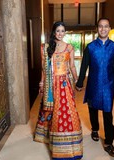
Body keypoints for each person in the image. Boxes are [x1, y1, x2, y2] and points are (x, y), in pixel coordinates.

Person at [34, 21, 83, 160]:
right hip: (51, 84)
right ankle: (56, 145)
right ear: (54, 32)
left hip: (64, 84)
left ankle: (70, 146)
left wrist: (78, 81)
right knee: (53, 111)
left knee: (67, 111)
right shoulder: (46, 47)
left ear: (65, 32)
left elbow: (72, 66)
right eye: (58, 31)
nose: (60, 33)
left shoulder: (69, 48)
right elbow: (44, 68)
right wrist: (42, 83)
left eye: (62, 31)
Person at [76, 18, 114, 157]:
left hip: (108, 85)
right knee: (93, 109)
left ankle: (109, 142)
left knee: (108, 113)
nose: (103, 29)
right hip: (93, 83)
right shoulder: (90, 47)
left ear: (109, 28)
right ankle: (95, 129)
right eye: (101, 26)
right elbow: (84, 65)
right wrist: (80, 83)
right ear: (97, 29)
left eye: (106, 26)